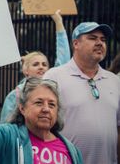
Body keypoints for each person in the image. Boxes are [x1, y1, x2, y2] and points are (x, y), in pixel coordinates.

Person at [0, 66, 83, 163]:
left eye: (52, 105)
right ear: (22, 108)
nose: (46, 109)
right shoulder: (6, 138)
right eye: (39, 103)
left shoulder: (72, 151)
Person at [43, 22, 119, 163]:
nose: (99, 43)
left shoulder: (115, 81)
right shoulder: (54, 77)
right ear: (76, 44)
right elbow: (41, 124)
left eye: (103, 40)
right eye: (92, 38)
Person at [0, 10, 71, 122]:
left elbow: (64, 59)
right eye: (35, 64)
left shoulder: (52, 86)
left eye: (44, 64)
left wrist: (58, 22)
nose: (41, 67)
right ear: (25, 70)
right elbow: (5, 125)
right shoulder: (15, 95)